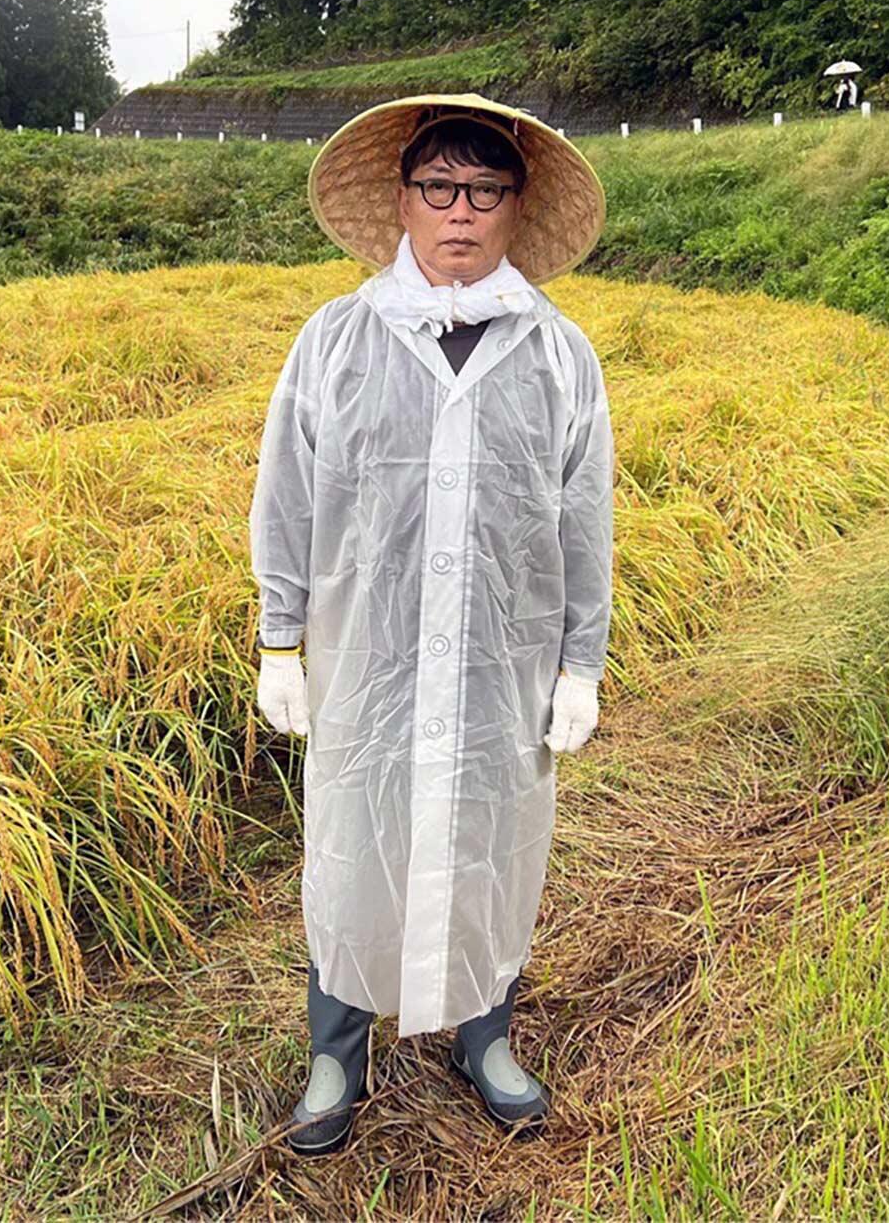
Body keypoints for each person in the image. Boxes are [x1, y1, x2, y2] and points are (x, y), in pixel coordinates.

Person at [248, 93, 615, 1155]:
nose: (461, 212)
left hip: (504, 659)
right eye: (439, 188)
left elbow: (583, 518)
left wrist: (578, 662)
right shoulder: (335, 341)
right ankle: (336, 1052)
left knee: (494, 838)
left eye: (485, 190)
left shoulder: (559, 357)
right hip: (369, 654)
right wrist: (281, 636)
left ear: (516, 206)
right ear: (402, 202)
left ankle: (484, 1034)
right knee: (355, 845)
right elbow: (289, 497)